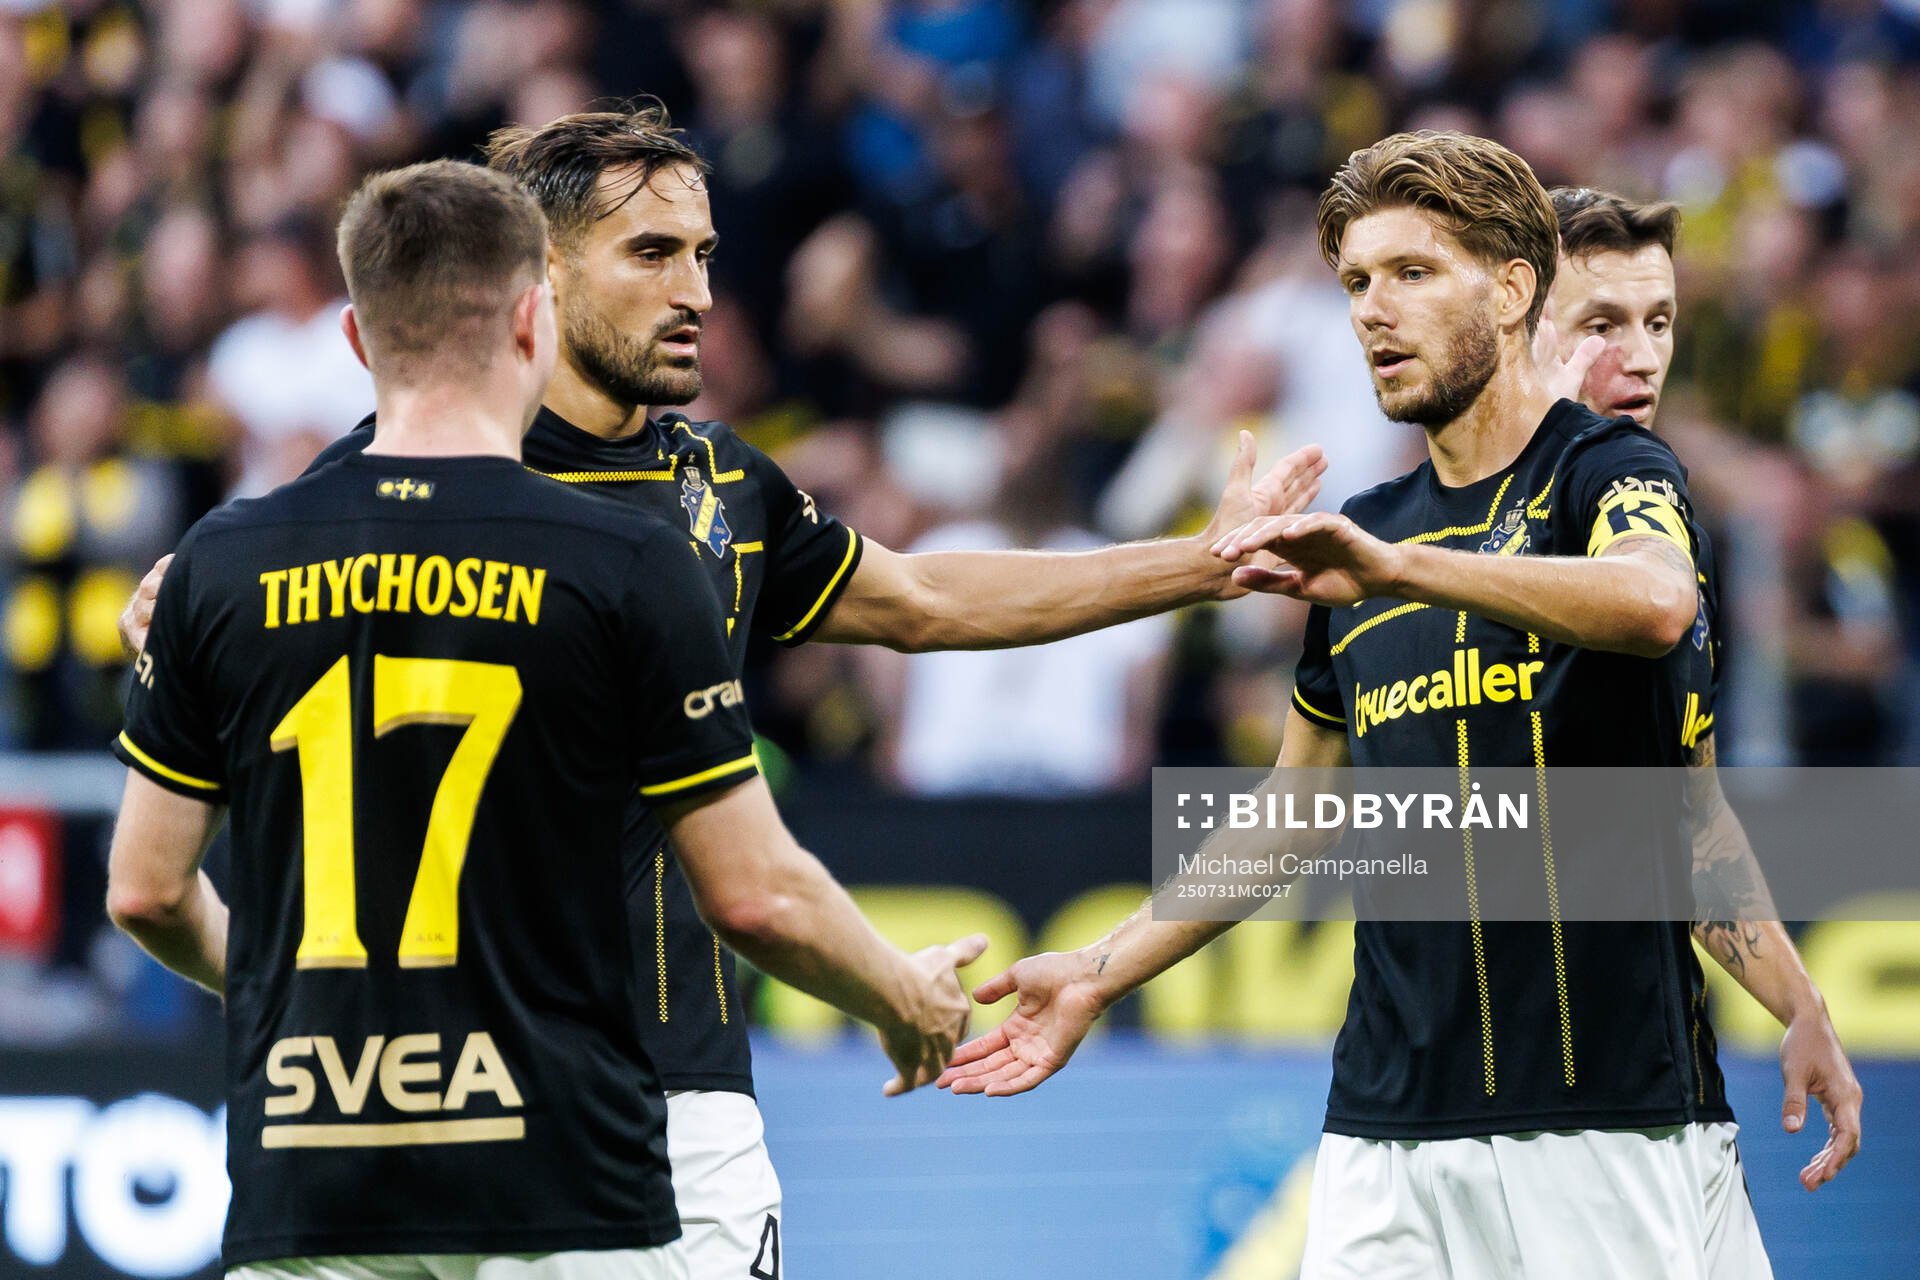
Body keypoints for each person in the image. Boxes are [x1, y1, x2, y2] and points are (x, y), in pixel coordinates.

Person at [115, 100, 1327, 1278]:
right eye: (652, 252)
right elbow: (759, 890)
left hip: (461, 1114)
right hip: (612, 1121)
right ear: (537, 282)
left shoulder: (712, 486)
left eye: (703, 253)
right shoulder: (456, 493)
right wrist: (894, 992)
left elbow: (923, 600)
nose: (696, 290)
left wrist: (1202, 564)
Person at [938, 131, 1834, 1278]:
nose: (1373, 311)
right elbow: (1290, 811)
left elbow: (1655, 606)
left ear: (1514, 289)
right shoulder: (1368, 532)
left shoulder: (1609, 475)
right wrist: (1101, 970)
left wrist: (1399, 571)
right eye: (1357, 282)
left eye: (1413, 273)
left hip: (1598, 1119)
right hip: (1383, 1129)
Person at [105, 160, 976, 1280]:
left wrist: (283, 993)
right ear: (535, 318)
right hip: (568, 1159)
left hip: (315, 1162)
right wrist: (902, 995)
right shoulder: (627, 560)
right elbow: (757, 891)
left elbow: (144, 889)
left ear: (360, 343)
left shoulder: (222, 562)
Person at [1538, 184, 1861, 1196]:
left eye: (1660, 322)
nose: (1640, 357)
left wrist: (1801, 1003)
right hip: (1454, 1119)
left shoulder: (1649, 495)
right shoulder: (1402, 524)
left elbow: (1691, 818)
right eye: (1602, 324)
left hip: (1652, 1106)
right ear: (1522, 321)